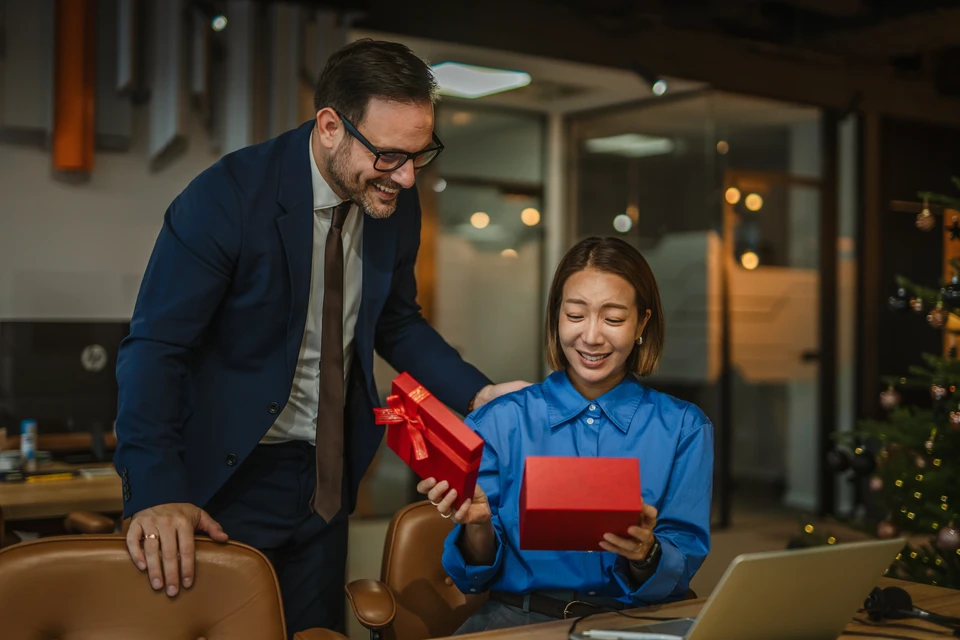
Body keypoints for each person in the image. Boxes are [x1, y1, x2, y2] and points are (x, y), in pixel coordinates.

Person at [114, 38, 527, 636]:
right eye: (389, 155)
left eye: (421, 153)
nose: (408, 177)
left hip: (326, 483)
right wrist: (156, 491)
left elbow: (395, 320)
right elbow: (156, 350)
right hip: (224, 483)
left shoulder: (392, 201)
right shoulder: (226, 198)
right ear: (331, 126)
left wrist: (479, 395)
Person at [419, 236, 713, 633]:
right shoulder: (497, 422)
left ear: (642, 322)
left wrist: (647, 553)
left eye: (613, 319)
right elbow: (475, 574)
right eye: (575, 315)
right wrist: (478, 524)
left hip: (634, 622)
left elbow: (683, 559)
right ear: (556, 315)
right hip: (519, 619)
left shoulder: (684, 427)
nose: (591, 337)